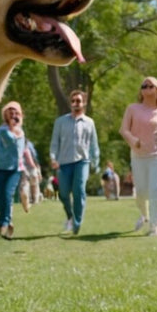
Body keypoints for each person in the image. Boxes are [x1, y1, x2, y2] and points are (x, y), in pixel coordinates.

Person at [119, 76, 157, 237]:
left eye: (150, 86)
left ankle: (155, 228)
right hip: (138, 156)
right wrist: (133, 140)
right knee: (141, 192)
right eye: (144, 86)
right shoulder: (132, 108)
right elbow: (123, 130)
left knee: (156, 189)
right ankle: (144, 215)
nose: (147, 88)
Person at [50, 89, 100, 235]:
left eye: (78, 101)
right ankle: (70, 216)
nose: (75, 103)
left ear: (84, 103)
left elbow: (94, 144)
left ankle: (77, 223)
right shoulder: (60, 122)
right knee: (63, 193)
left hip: (82, 161)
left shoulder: (89, 122)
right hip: (64, 162)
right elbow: (54, 143)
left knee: (79, 190)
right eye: (73, 101)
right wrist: (53, 158)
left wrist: (95, 162)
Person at [0, 101, 29, 239]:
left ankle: (4, 223)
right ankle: (3, 219)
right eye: (10, 112)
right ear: (5, 114)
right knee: (2, 198)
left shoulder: (21, 131)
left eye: (16, 112)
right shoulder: (1, 130)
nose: (13, 114)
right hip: (0, 169)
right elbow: (10, 141)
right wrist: (14, 127)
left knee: (8, 195)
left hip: (15, 170)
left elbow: (21, 149)